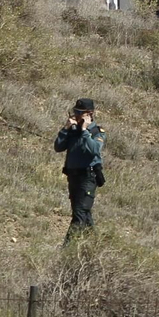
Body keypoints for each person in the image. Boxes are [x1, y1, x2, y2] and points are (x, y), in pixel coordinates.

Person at [54, 98, 105, 239]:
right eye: (75, 111)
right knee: (84, 215)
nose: (75, 115)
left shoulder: (96, 132)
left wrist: (84, 131)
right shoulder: (72, 131)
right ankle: (94, 244)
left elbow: (95, 149)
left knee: (80, 215)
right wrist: (65, 129)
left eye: (79, 113)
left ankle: (66, 250)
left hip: (87, 178)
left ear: (89, 114)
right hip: (73, 178)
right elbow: (58, 147)